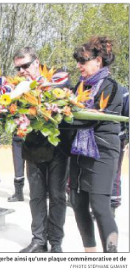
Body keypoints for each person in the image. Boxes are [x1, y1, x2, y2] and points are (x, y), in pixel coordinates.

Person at [13, 47, 72, 253]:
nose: (21, 71)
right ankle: (39, 240)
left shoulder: (56, 78)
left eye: (25, 66)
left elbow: (68, 94)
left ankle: (56, 242)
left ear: (36, 63)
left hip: (58, 148)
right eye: (18, 68)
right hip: (33, 148)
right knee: (36, 197)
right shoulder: (16, 89)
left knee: (57, 196)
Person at [68, 36, 122, 252]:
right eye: (77, 61)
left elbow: (90, 117)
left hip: (102, 152)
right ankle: (90, 254)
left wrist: (67, 110)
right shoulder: (78, 87)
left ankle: (111, 256)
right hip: (79, 152)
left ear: (98, 61)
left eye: (83, 61)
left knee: (100, 207)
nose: (79, 66)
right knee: (78, 204)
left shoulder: (111, 87)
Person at [110, 86, 128, 215]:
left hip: (116, 138)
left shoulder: (121, 91)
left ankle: (112, 206)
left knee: (114, 172)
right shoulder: (86, 87)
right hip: (92, 139)